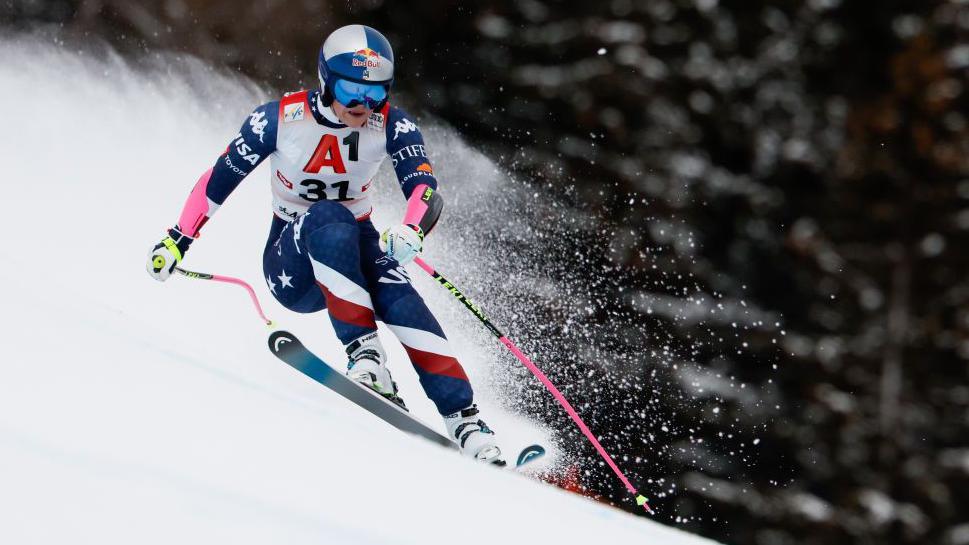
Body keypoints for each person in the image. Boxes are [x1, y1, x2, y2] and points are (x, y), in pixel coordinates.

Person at [146, 24, 503, 464]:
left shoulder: (392, 123)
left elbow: (424, 189)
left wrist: (412, 230)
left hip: (357, 243)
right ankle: (365, 354)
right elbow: (219, 179)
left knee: (400, 296)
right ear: (327, 80)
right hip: (293, 263)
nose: (362, 105)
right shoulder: (279, 120)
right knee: (330, 213)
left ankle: (465, 419)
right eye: (352, 90)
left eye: (376, 94)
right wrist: (177, 239)